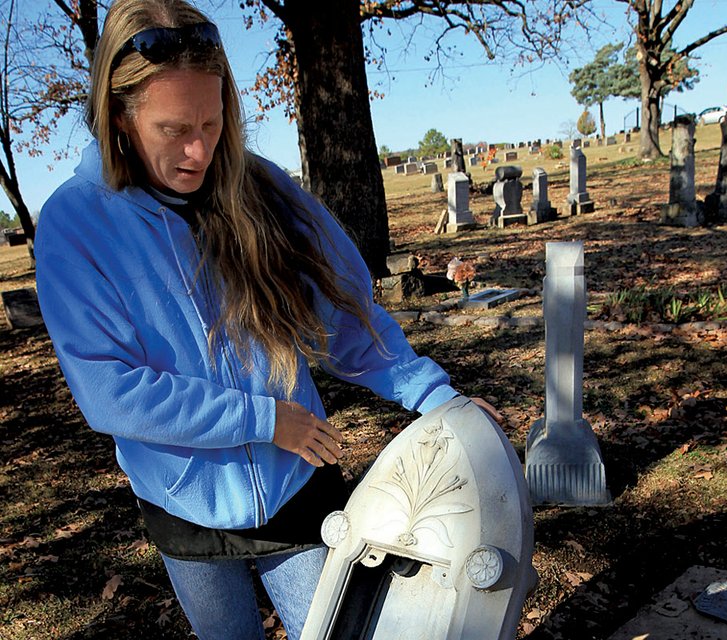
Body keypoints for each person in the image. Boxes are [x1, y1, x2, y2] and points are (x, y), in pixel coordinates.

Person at [35, 0, 500, 638]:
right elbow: (110, 391)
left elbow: (347, 319)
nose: (200, 150)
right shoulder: (76, 225)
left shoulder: (265, 191)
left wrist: (440, 401)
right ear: (119, 116)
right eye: (173, 129)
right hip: (184, 501)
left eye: (212, 119)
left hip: (295, 488)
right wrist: (262, 419)